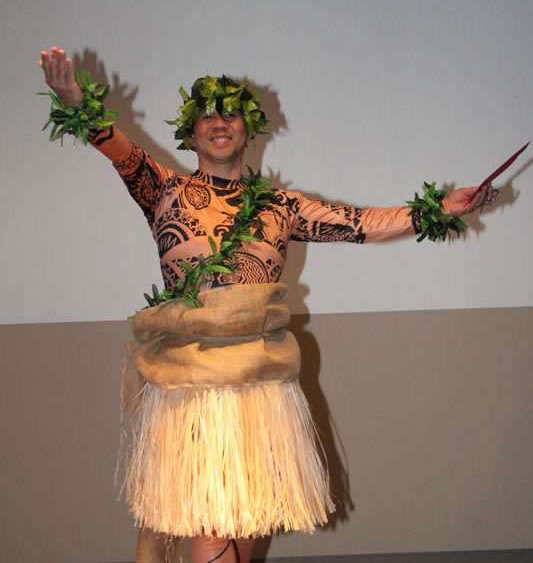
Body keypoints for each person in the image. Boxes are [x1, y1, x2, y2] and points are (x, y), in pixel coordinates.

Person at [38, 47, 494, 563]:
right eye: (206, 115)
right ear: (191, 134)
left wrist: (439, 208)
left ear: (248, 128)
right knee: (213, 529)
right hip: (193, 390)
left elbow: (360, 224)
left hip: (261, 389)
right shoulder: (162, 190)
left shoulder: (281, 207)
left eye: (231, 113)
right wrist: (72, 100)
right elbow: (114, 146)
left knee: (245, 529)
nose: (219, 123)